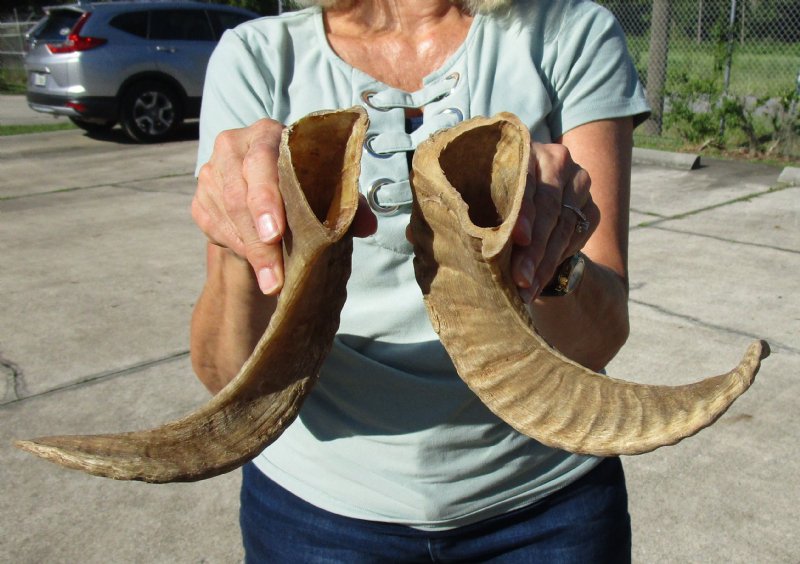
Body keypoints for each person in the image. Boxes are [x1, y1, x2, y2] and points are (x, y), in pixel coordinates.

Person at [191, 0, 650, 561]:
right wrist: (245, 245)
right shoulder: (258, 57)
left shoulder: (567, 33)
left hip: (547, 502)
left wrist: (551, 259)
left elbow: (601, 339)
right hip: (318, 511)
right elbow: (226, 373)